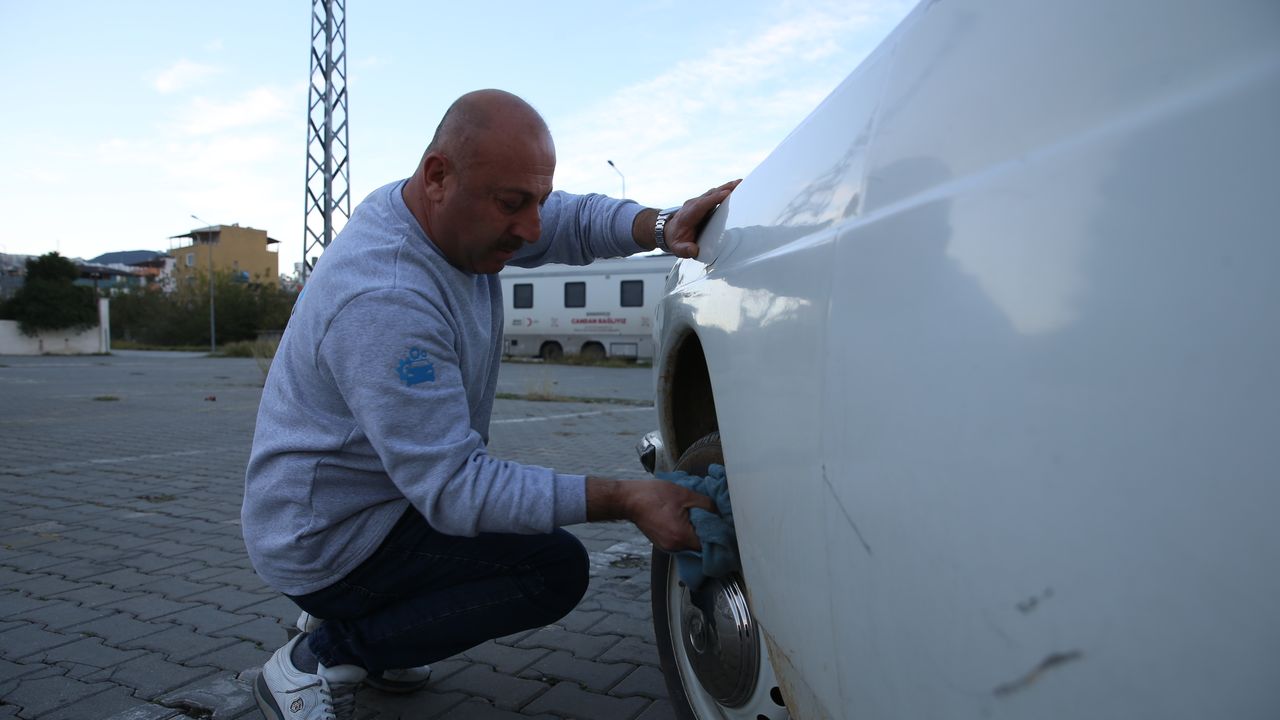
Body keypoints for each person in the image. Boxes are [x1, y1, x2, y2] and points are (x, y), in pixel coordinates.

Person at [242, 88, 739, 720]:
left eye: (536, 200)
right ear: (438, 176)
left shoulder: (441, 214)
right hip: (328, 539)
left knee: (502, 535)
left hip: (384, 500)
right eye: (512, 204)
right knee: (550, 570)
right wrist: (627, 497)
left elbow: (569, 220)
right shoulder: (386, 298)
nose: (531, 229)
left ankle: (377, 624)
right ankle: (321, 653)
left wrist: (661, 227)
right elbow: (456, 490)